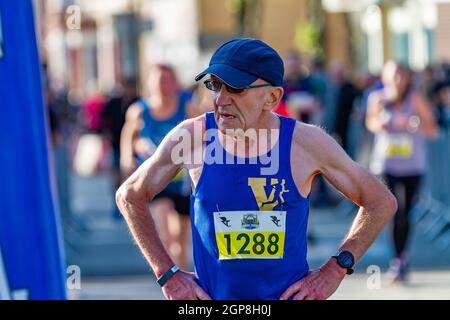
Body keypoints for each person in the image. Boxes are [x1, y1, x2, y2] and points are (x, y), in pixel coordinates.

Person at [116, 38, 397, 300]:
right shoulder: (192, 137)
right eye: (215, 85)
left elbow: (380, 201)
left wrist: (336, 268)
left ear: (272, 98)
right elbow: (129, 195)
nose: (220, 99)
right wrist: (167, 274)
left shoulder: (306, 143)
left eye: (235, 88)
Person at [366, 61, 438, 283]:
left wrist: (414, 124)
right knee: (392, 209)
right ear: (385, 76)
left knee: (405, 210)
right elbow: (370, 123)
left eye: (400, 75)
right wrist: (381, 125)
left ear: (407, 77)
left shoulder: (415, 99)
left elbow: (433, 130)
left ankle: (401, 257)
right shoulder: (377, 98)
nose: (397, 79)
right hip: (386, 164)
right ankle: (397, 260)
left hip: (412, 165)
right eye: (392, 75)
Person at [120, 64, 192, 270]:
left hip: (183, 181)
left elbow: (203, 137)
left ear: (174, 83)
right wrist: (128, 159)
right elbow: (128, 136)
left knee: (180, 240)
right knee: (165, 237)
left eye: (168, 80)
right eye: (159, 80)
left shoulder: (187, 108)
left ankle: (183, 284)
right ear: (150, 83)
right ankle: (171, 281)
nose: (163, 85)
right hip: (156, 180)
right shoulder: (139, 111)